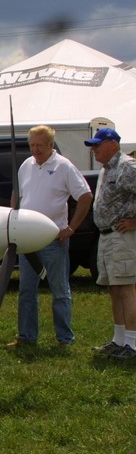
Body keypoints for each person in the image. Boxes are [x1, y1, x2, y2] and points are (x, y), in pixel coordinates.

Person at [8, 125, 92, 349]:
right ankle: (26, 336)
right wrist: (13, 217)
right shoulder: (26, 165)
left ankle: (64, 339)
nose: (35, 150)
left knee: (59, 290)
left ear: (51, 145)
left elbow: (85, 196)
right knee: (26, 290)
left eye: (39, 145)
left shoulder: (63, 166)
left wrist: (71, 228)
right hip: (28, 239)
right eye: (32, 145)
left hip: (54, 239)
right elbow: (17, 192)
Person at [86, 126, 136, 359]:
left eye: (97, 144)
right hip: (106, 235)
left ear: (112, 144)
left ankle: (133, 345)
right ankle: (119, 339)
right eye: (92, 145)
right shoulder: (107, 169)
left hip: (122, 236)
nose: (94, 149)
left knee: (126, 289)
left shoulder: (127, 166)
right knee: (114, 288)